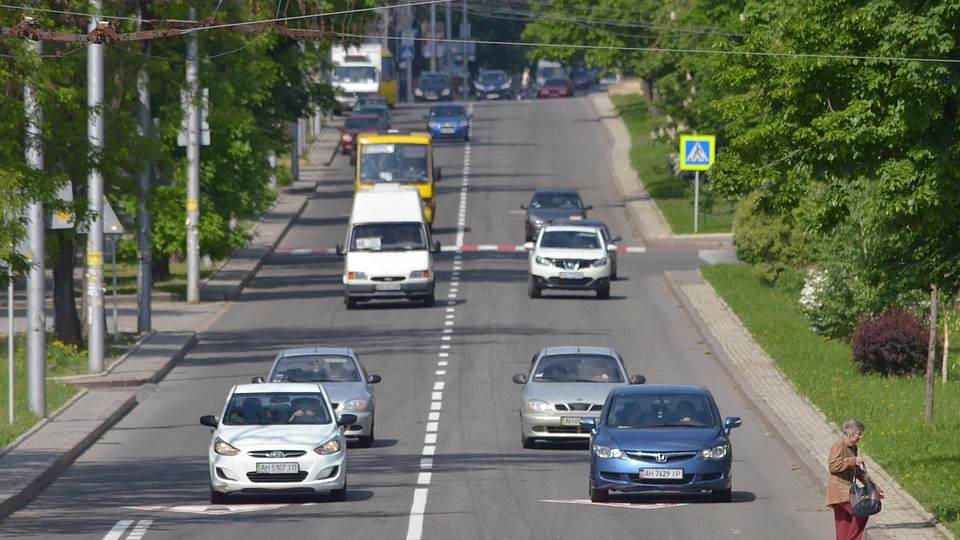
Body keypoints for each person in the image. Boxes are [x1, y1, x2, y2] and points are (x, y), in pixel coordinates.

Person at [826, 418, 884, 540]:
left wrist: (875, 488)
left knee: (843, 527)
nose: (860, 437)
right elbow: (833, 466)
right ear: (850, 433)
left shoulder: (852, 447)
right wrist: (852, 461)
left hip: (844, 491)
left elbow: (859, 472)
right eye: (859, 433)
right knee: (862, 511)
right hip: (840, 490)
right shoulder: (839, 445)